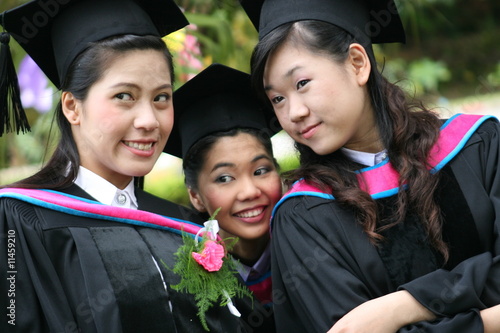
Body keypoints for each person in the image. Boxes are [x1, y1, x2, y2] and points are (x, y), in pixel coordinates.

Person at [0, 1, 265, 332]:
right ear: (72, 107)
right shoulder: (18, 221)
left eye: (161, 97)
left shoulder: (184, 224)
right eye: (124, 96)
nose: (149, 120)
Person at [240, 0, 500, 332]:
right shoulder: (303, 217)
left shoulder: (479, 146)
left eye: (302, 83)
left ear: (357, 63)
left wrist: (399, 307)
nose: (294, 113)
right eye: (277, 98)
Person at [163, 63, 282, 332]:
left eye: (261, 170)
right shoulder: (184, 279)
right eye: (224, 178)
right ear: (195, 195)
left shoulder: (314, 243)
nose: (250, 191)